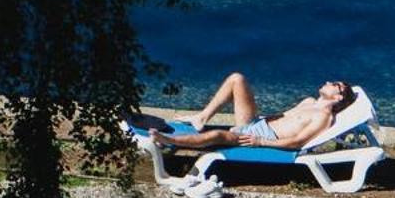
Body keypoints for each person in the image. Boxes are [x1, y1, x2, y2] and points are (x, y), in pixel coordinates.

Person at [152, 72, 354, 152]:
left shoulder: (323, 117)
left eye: (334, 84)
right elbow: (284, 118)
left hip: (261, 136)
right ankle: (201, 117)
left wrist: (261, 142)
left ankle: (169, 140)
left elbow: (298, 142)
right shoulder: (309, 102)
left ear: (338, 97)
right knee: (236, 79)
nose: (328, 82)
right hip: (258, 123)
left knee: (216, 135)